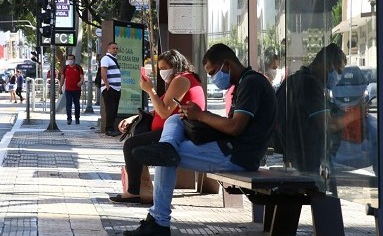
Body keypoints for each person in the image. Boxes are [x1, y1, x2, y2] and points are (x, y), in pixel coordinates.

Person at [125, 43, 277, 236]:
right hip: (228, 148)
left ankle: (159, 223)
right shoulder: (243, 83)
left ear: (228, 65)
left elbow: (235, 127)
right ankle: (167, 147)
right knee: (174, 122)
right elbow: (231, 124)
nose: (213, 78)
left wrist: (201, 115)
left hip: (237, 155)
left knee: (162, 156)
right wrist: (196, 117)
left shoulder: (251, 83)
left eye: (213, 72)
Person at [109, 50, 205, 204]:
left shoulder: (182, 80)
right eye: (160, 69)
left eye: (165, 67)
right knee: (135, 140)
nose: (162, 72)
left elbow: (165, 112)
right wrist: (133, 117)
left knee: (131, 144)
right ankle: (138, 187)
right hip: (169, 129)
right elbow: (158, 109)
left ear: (176, 65)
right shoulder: (179, 80)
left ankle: (134, 191)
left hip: (178, 131)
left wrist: (150, 90)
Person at [274, 43, 347, 174]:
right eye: (338, 71)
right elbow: (328, 125)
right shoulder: (310, 84)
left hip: (295, 159)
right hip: (306, 163)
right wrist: (355, 114)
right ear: (329, 65)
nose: (338, 77)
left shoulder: (295, 80)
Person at [100, 42, 122, 136]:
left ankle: (112, 128)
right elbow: (103, 72)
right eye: (113, 48)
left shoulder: (114, 59)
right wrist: (107, 86)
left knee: (114, 110)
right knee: (110, 109)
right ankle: (108, 129)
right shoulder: (106, 58)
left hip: (117, 88)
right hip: (110, 89)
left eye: (117, 48)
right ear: (108, 49)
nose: (115, 50)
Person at [60, 54, 84, 125]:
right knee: (68, 104)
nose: (70, 60)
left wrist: (80, 82)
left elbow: (82, 76)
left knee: (77, 104)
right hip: (68, 89)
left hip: (77, 89)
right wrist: (60, 87)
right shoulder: (65, 68)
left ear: (74, 60)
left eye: (71, 59)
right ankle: (69, 119)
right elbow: (62, 78)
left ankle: (77, 118)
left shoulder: (78, 67)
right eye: (69, 59)